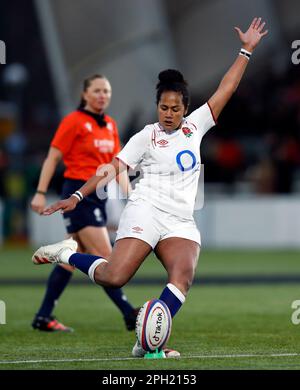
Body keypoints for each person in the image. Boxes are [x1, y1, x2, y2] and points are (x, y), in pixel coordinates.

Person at [32, 18, 268, 356]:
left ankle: (149, 342)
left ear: (186, 108)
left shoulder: (196, 126)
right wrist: (77, 195)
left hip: (180, 219)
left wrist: (246, 50)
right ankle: (66, 253)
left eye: (175, 108)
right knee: (115, 276)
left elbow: (226, 89)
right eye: (163, 107)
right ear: (157, 106)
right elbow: (112, 168)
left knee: (182, 277)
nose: (168, 114)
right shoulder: (146, 135)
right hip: (146, 209)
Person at [30, 74, 139, 332]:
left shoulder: (110, 125)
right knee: (106, 258)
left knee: (69, 258)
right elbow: (52, 158)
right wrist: (40, 192)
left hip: (98, 197)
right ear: (85, 94)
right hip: (77, 195)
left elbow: (119, 166)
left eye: (107, 91)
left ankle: (43, 316)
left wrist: (132, 196)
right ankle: (128, 314)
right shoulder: (73, 121)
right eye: (98, 90)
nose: (103, 95)